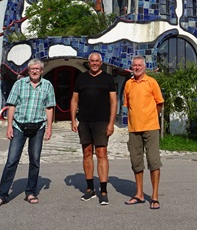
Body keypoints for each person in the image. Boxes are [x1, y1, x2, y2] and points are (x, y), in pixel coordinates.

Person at [0, 58, 55, 207]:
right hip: (19, 126)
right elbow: (11, 105)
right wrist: (9, 126)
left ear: (42, 71)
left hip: (38, 127)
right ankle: (2, 195)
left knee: (35, 161)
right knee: (12, 161)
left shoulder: (47, 85)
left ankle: (30, 192)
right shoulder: (19, 84)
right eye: (32, 68)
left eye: (37, 68)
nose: (35, 71)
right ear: (28, 70)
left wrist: (49, 128)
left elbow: (49, 107)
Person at [70, 52, 117, 205]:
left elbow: (113, 102)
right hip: (84, 121)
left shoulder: (107, 78)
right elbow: (74, 99)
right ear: (88, 62)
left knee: (102, 153)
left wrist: (111, 123)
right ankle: (90, 188)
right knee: (87, 152)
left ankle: (103, 190)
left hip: (102, 121)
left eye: (97, 61)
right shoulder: (81, 78)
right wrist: (73, 120)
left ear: (101, 62)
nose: (95, 63)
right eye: (92, 61)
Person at [123, 56, 164, 210]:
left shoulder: (151, 82)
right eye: (135, 65)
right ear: (132, 67)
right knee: (136, 162)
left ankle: (154, 196)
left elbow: (159, 103)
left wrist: (151, 116)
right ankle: (139, 194)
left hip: (151, 127)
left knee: (153, 162)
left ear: (145, 67)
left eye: (140, 65)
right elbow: (128, 105)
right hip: (134, 129)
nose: (137, 67)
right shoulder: (128, 84)